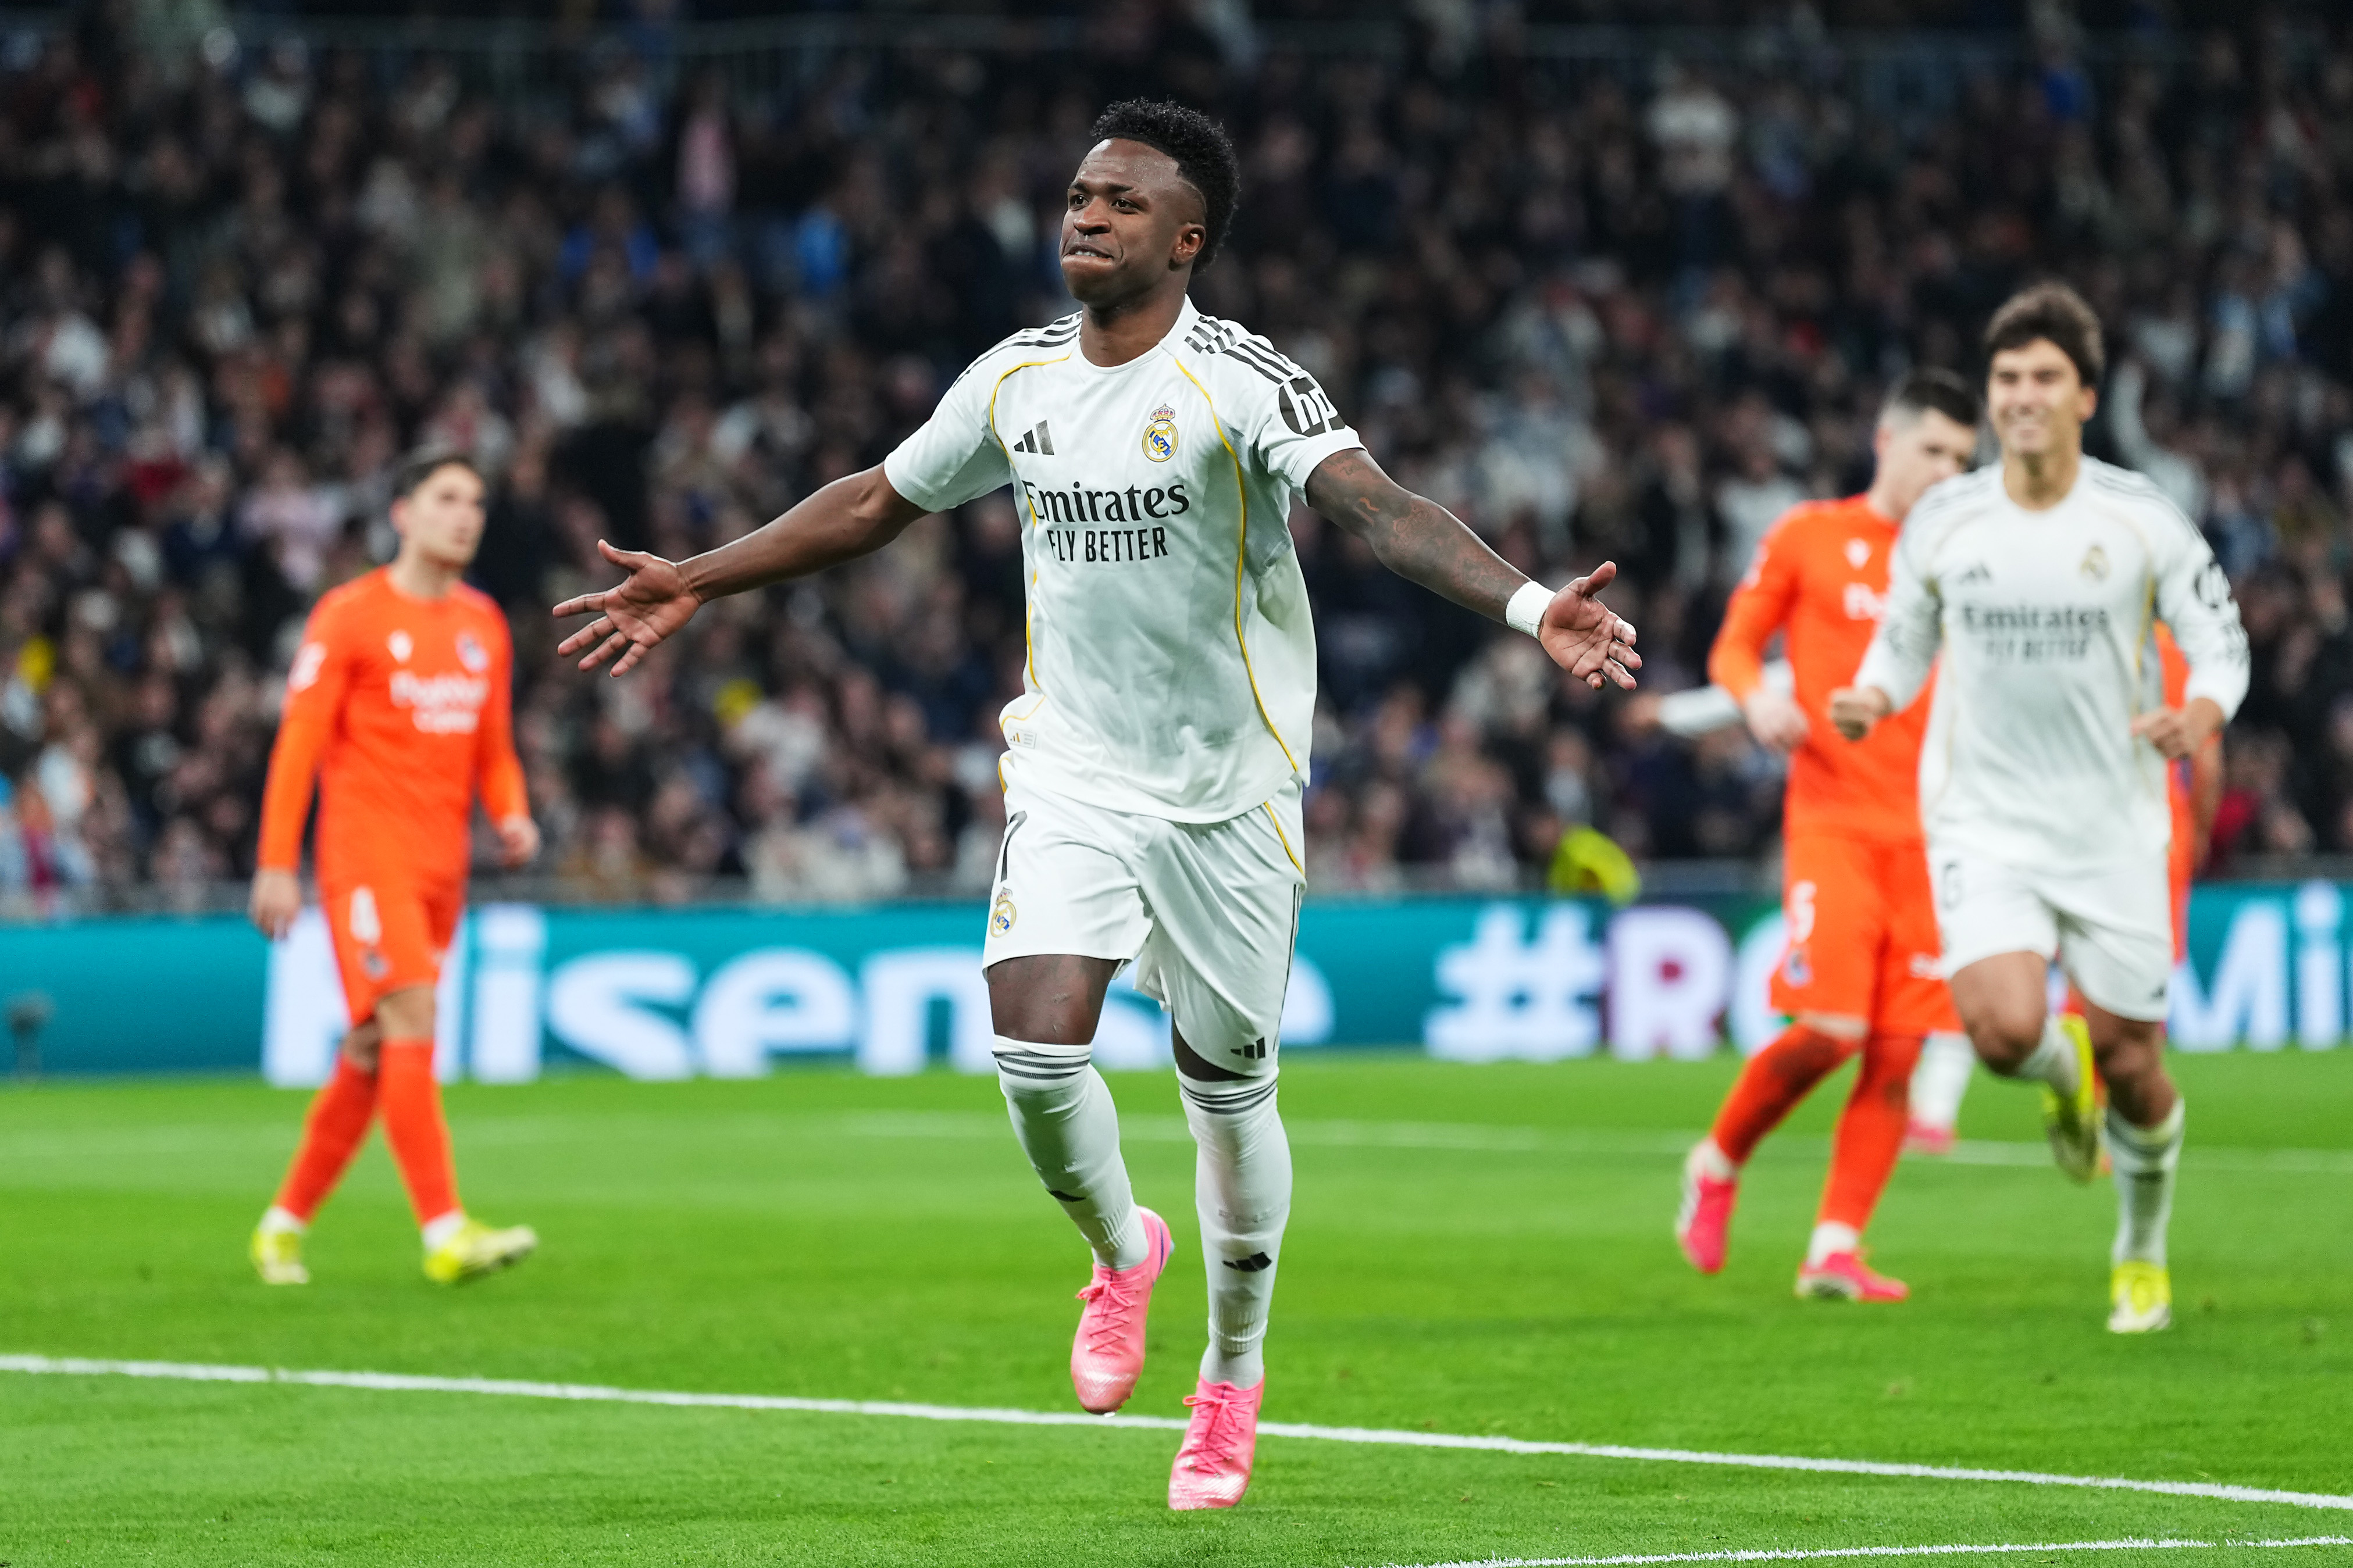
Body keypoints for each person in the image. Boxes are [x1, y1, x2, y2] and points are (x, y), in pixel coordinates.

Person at [552, 99, 1639, 1509]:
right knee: (1034, 1046)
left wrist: (1533, 605)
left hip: (1232, 793)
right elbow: (878, 501)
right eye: (1078, 193)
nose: (1085, 213)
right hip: (1074, 766)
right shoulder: (1014, 379)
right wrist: (699, 577)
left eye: (1121, 202)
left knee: (1226, 1093)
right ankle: (1125, 1248)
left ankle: (1230, 1376)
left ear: (1186, 241)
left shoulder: (1243, 380)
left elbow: (1378, 510)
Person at [1831, 283, 2249, 1334]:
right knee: (2002, 1029)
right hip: (1984, 819)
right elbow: (1903, 636)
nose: (2021, 395)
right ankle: (2061, 1076)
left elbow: (2219, 638)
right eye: (2007, 378)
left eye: (2044, 378)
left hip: (2114, 826)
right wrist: (1875, 692)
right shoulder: (1945, 518)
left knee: (2135, 1062)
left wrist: (2201, 709)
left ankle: (2139, 1246)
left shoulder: (2139, 517)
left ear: (2085, 397)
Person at [1673, 370, 1980, 1303]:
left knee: (1898, 1052)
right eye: (1933, 450)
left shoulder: (1967, 563)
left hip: (1935, 837)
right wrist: (1755, 698)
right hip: (1835, 823)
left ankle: (1834, 1249)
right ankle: (1717, 1161)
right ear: (1886, 442)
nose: (1948, 472)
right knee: (1831, 1031)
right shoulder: (1808, 535)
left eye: (1963, 460)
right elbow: (1733, 646)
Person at [248, 452, 542, 1288]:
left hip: (441, 870)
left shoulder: (483, 624)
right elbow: (300, 740)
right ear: (402, 514)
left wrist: (512, 811)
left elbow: (494, 747)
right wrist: (276, 862)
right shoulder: (349, 616)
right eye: (446, 498)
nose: (465, 515)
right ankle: (445, 1231)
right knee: (414, 1013)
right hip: (365, 859)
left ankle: (281, 1225)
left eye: (476, 502)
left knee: (375, 1047)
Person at [1903, 623, 2222, 1152]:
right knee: (2122, 988)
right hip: (2149, 836)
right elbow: (2206, 760)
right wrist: (2202, 832)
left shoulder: (2060, 629)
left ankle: (1953, 1104)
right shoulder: (2170, 651)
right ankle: (2100, 1114)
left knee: (1983, 965)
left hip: (2046, 821)